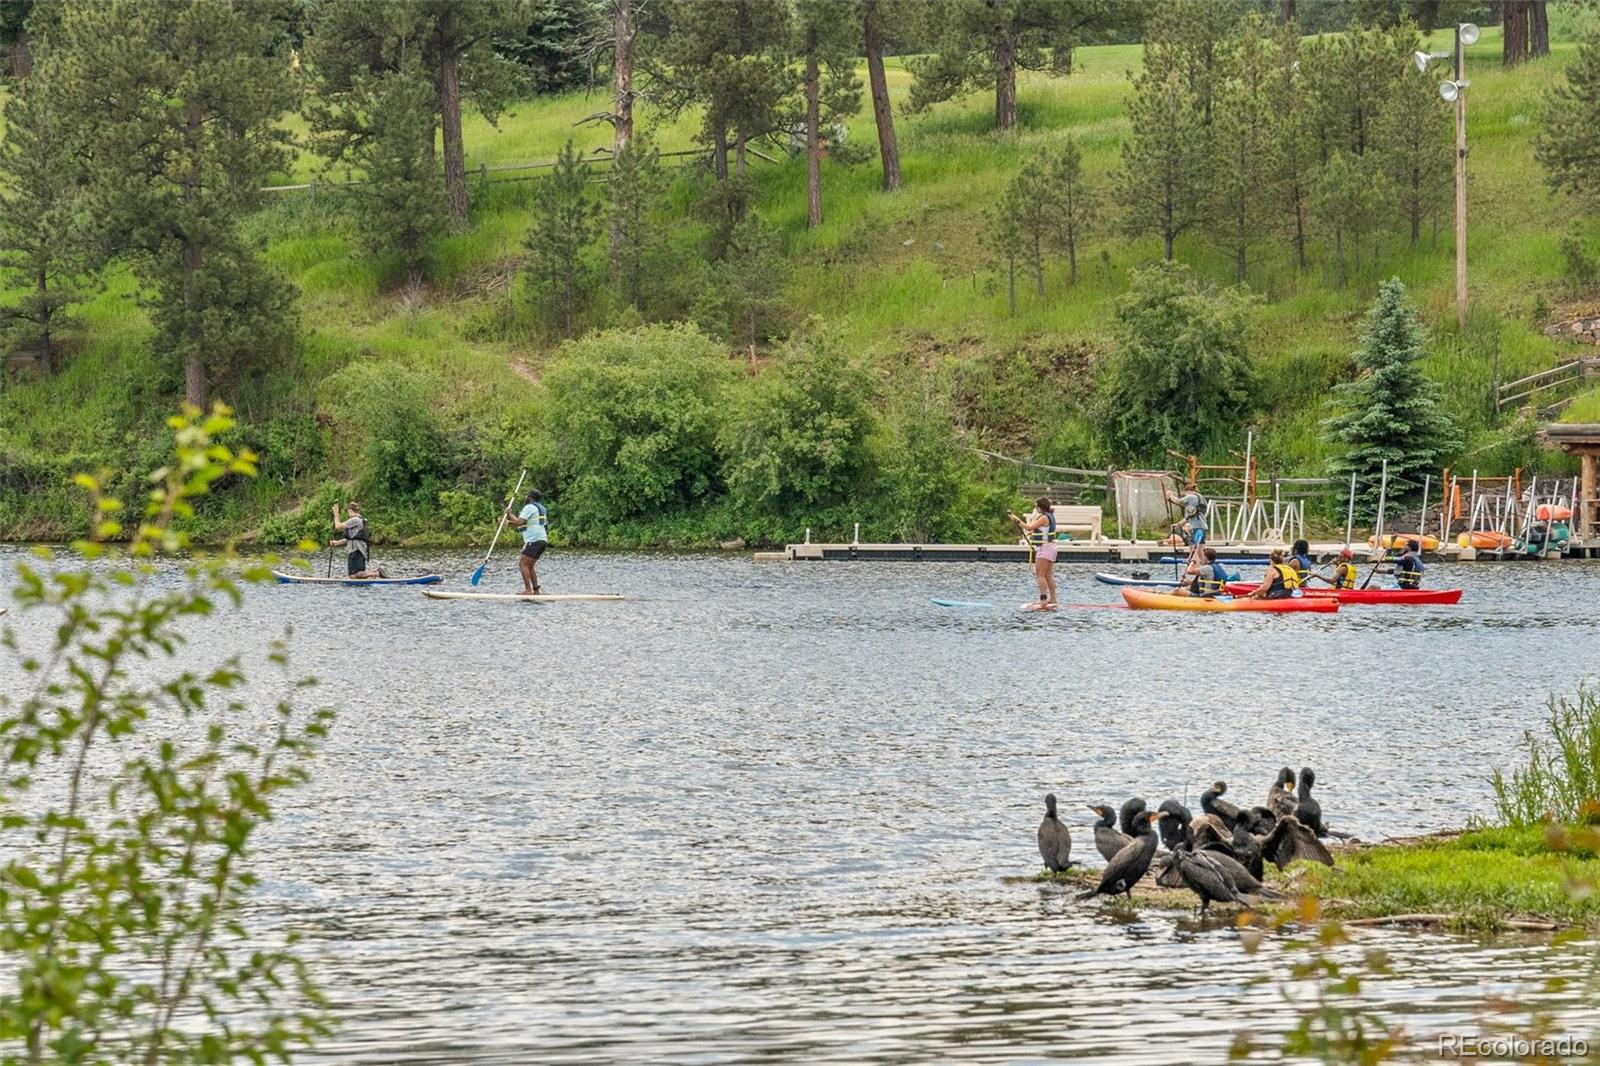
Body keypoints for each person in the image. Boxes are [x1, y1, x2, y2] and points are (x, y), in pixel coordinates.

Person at [1008, 497, 1057, 606]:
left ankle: (1043, 600)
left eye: (1036, 506)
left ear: (1041, 507)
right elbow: (1041, 531)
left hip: (1044, 549)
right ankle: (1053, 599)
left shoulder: (1044, 517)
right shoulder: (1051, 515)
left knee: (1040, 575)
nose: (1036, 508)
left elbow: (1029, 527)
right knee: (1048, 575)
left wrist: (1016, 519)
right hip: (1051, 548)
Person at [504, 489, 549, 595]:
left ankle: (528, 590)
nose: (525, 497)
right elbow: (525, 523)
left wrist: (510, 513)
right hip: (542, 540)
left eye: (526, 496)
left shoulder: (529, 507)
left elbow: (520, 521)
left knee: (522, 563)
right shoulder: (540, 508)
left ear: (530, 497)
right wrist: (507, 522)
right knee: (529, 566)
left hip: (534, 540)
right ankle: (536, 590)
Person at [330, 501, 380, 579]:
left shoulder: (355, 520)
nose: (348, 514)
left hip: (355, 550)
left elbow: (338, 526)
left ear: (350, 510)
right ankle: (373, 574)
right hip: (360, 550)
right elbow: (352, 538)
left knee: (353, 575)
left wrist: (336, 514)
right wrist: (337, 543)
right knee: (358, 576)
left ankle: (376, 573)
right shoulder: (361, 519)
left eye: (348, 511)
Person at [1168, 482, 1208, 546]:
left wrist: (1170, 495)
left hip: (1196, 526)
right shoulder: (1202, 499)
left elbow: (1178, 501)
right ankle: (1192, 555)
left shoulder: (1190, 497)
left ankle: (1194, 555)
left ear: (1187, 491)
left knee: (1197, 546)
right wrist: (1178, 525)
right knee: (1198, 545)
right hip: (1203, 526)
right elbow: (1188, 517)